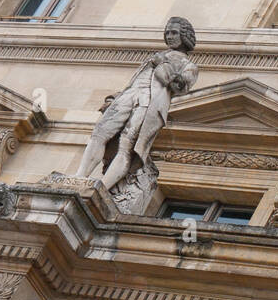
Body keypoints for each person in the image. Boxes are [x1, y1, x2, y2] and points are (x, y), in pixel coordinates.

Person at [76, 16, 198, 192]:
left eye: (174, 33)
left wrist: (162, 64)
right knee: (100, 132)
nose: (169, 36)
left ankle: (102, 188)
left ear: (184, 36)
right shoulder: (157, 56)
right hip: (131, 95)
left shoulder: (189, 65)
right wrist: (116, 98)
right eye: (167, 33)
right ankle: (80, 176)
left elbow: (179, 86)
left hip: (150, 105)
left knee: (127, 146)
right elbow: (135, 81)